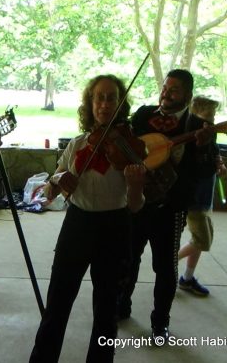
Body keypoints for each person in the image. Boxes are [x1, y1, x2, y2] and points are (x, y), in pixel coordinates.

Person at [29, 74, 146, 362]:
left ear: (120, 105)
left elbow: (135, 206)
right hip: (77, 225)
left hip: (115, 227)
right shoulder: (77, 144)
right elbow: (49, 193)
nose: (104, 104)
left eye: (111, 98)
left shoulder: (130, 149)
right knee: (57, 302)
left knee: (106, 311)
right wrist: (57, 178)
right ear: (90, 104)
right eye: (99, 98)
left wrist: (134, 184)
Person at [117, 69, 217, 341]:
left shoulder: (198, 125)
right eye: (165, 87)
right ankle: (121, 306)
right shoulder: (143, 114)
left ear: (187, 94)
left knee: (165, 267)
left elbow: (207, 170)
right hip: (136, 202)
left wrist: (204, 147)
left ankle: (159, 322)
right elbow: (127, 145)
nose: (166, 93)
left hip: (171, 208)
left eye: (174, 90)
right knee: (128, 259)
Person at [177, 96, 227, 296]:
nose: (213, 116)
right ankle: (169, 263)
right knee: (202, 241)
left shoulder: (209, 133)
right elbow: (196, 162)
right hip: (195, 199)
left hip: (204, 197)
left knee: (201, 239)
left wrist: (219, 163)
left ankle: (187, 278)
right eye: (211, 112)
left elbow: (213, 153)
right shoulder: (193, 133)